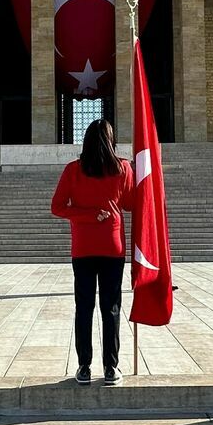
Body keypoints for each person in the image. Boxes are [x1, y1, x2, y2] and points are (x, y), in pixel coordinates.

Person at [51, 119, 135, 386]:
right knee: (111, 308)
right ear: (111, 140)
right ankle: (111, 367)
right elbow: (132, 204)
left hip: (83, 248)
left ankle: (84, 367)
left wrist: (86, 215)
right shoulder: (122, 168)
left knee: (84, 307)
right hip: (112, 248)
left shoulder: (73, 170)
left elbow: (58, 207)